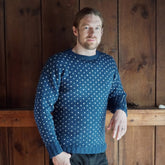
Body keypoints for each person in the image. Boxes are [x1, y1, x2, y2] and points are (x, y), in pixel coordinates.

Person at [34, 7, 127, 165]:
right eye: (86, 27)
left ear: (102, 31)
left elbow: (117, 94)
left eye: (97, 28)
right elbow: (41, 108)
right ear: (75, 30)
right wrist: (56, 152)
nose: (92, 33)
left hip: (99, 154)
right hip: (67, 154)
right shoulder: (58, 63)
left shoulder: (108, 64)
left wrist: (121, 110)